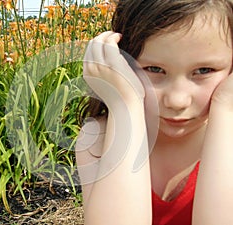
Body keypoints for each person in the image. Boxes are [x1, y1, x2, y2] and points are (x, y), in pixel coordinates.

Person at [75, 0, 233, 224]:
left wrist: (226, 106)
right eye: (155, 69)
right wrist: (124, 105)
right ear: (122, 63)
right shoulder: (98, 138)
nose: (177, 100)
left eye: (204, 70)